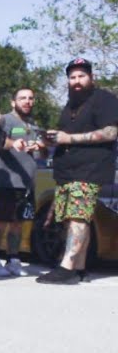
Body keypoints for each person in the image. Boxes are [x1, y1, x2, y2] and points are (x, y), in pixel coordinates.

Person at [36, 57, 118, 285]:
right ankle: (80, 268)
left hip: (89, 170)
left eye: (82, 76)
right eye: (72, 77)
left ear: (92, 77)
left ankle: (66, 267)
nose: (77, 81)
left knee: (78, 218)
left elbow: (111, 133)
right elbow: (64, 137)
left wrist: (69, 138)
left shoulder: (105, 100)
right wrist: (51, 140)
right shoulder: (70, 106)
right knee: (76, 219)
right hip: (67, 173)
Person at [0, 87, 43, 278]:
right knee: (0, 223)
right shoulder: (7, 120)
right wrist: (11, 141)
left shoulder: (32, 124)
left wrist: (40, 147)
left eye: (30, 98)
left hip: (26, 184)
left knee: (18, 224)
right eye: (22, 98)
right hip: (5, 182)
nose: (27, 101)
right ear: (13, 102)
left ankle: (13, 259)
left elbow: (41, 153)